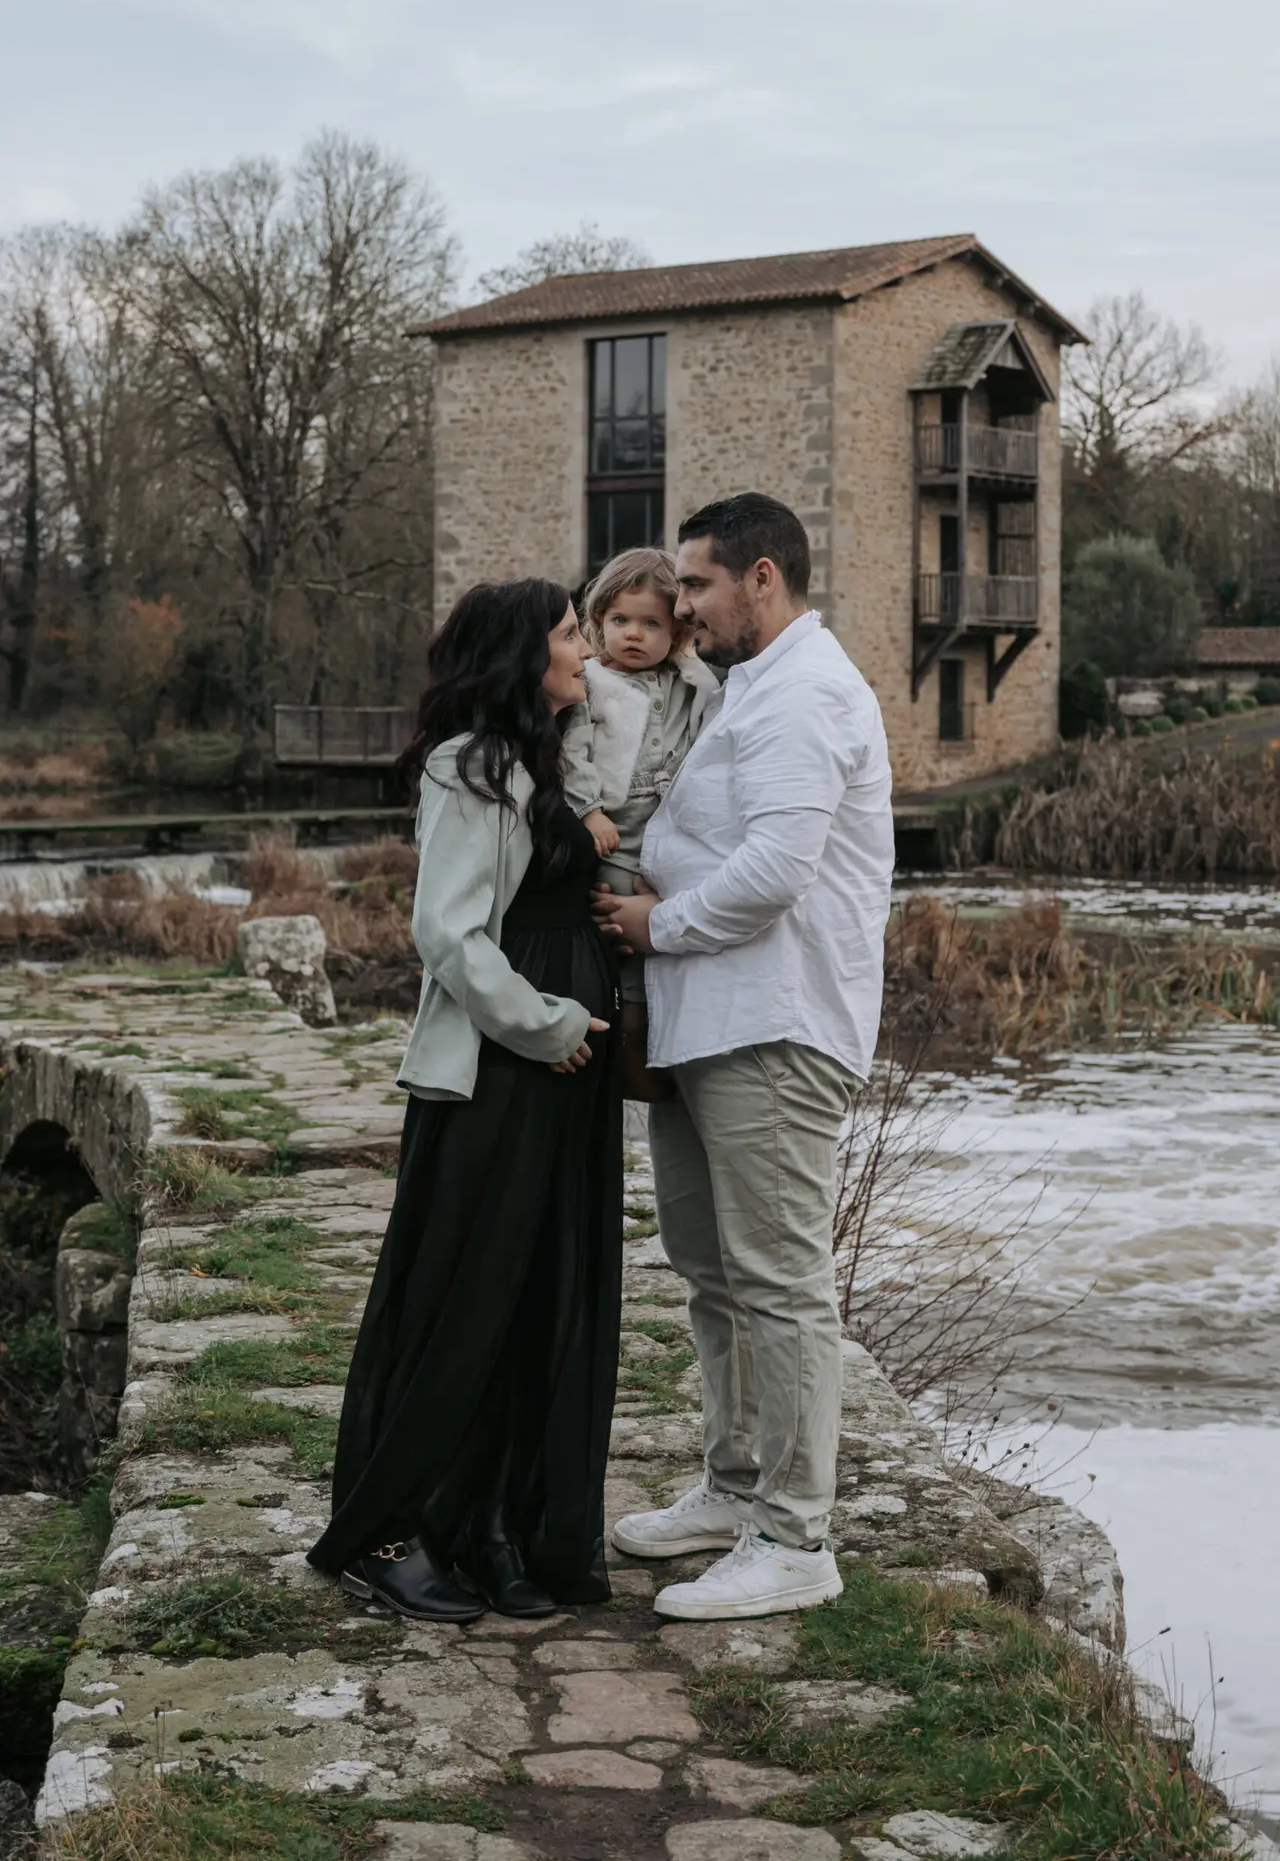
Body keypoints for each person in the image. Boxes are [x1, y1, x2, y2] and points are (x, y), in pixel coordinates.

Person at [599, 492, 894, 1622]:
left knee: (775, 1280)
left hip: (770, 1025)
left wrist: (652, 927)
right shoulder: (745, 690)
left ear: (761, 578)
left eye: (698, 585)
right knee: (710, 1270)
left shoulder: (807, 693)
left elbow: (775, 870)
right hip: (705, 1026)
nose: (679, 606)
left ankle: (793, 1535)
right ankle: (731, 1488)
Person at [307, 579, 622, 1623]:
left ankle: (489, 1527)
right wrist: (548, 1026)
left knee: (539, 1300)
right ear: (521, 655)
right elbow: (447, 933)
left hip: (567, 1074)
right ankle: (382, 1531)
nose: (587, 649)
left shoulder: (543, 760)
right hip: (503, 1068)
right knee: (461, 1299)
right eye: (572, 634)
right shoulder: (466, 767)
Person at [561, 547, 719, 1100]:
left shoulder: (688, 681)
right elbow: (573, 752)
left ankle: (667, 1042)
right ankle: (629, 1054)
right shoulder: (592, 683)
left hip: (666, 837)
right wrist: (588, 809)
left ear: (675, 633)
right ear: (599, 621)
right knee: (622, 942)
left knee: (670, 939)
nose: (634, 634)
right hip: (613, 837)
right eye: (620, 620)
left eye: (652, 623)